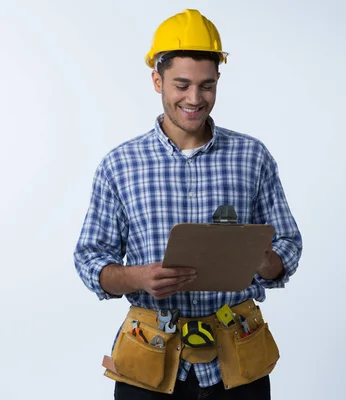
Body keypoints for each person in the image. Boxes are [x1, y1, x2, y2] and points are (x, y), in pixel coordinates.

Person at [74, 9, 302, 400]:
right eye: (181, 85)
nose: (195, 99)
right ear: (157, 80)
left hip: (238, 360)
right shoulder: (119, 165)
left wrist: (264, 260)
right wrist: (139, 277)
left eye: (207, 85)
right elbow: (90, 260)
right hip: (149, 360)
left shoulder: (252, 156)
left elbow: (288, 246)